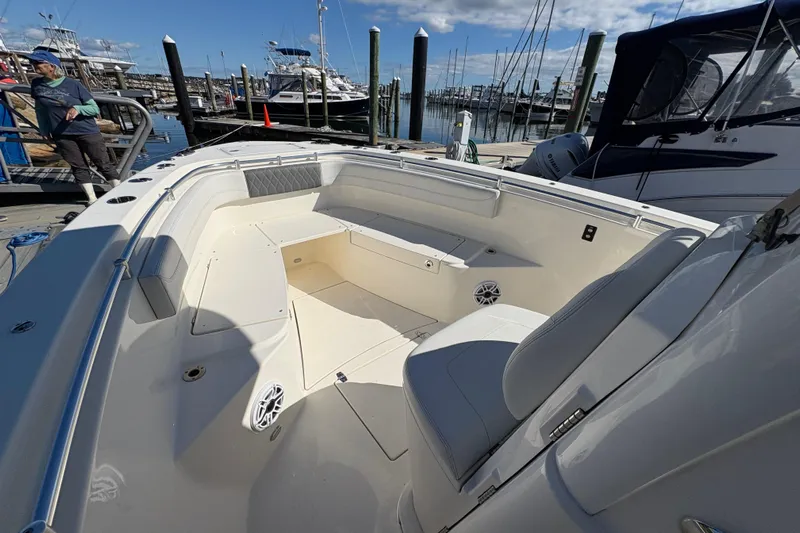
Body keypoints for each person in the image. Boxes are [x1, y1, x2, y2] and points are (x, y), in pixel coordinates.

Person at [26, 50, 119, 204]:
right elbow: (40, 109)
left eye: (37, 62)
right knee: (78, 166)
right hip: (61, 133)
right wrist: (44, 129)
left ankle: (119, 194)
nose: (34, 65)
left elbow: (94, 109)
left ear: (51, 66)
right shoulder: (36, 84)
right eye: (32, 62)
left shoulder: (73, 84)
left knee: (103, 163)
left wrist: (78, 109)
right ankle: (92, 199)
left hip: (86, 131)